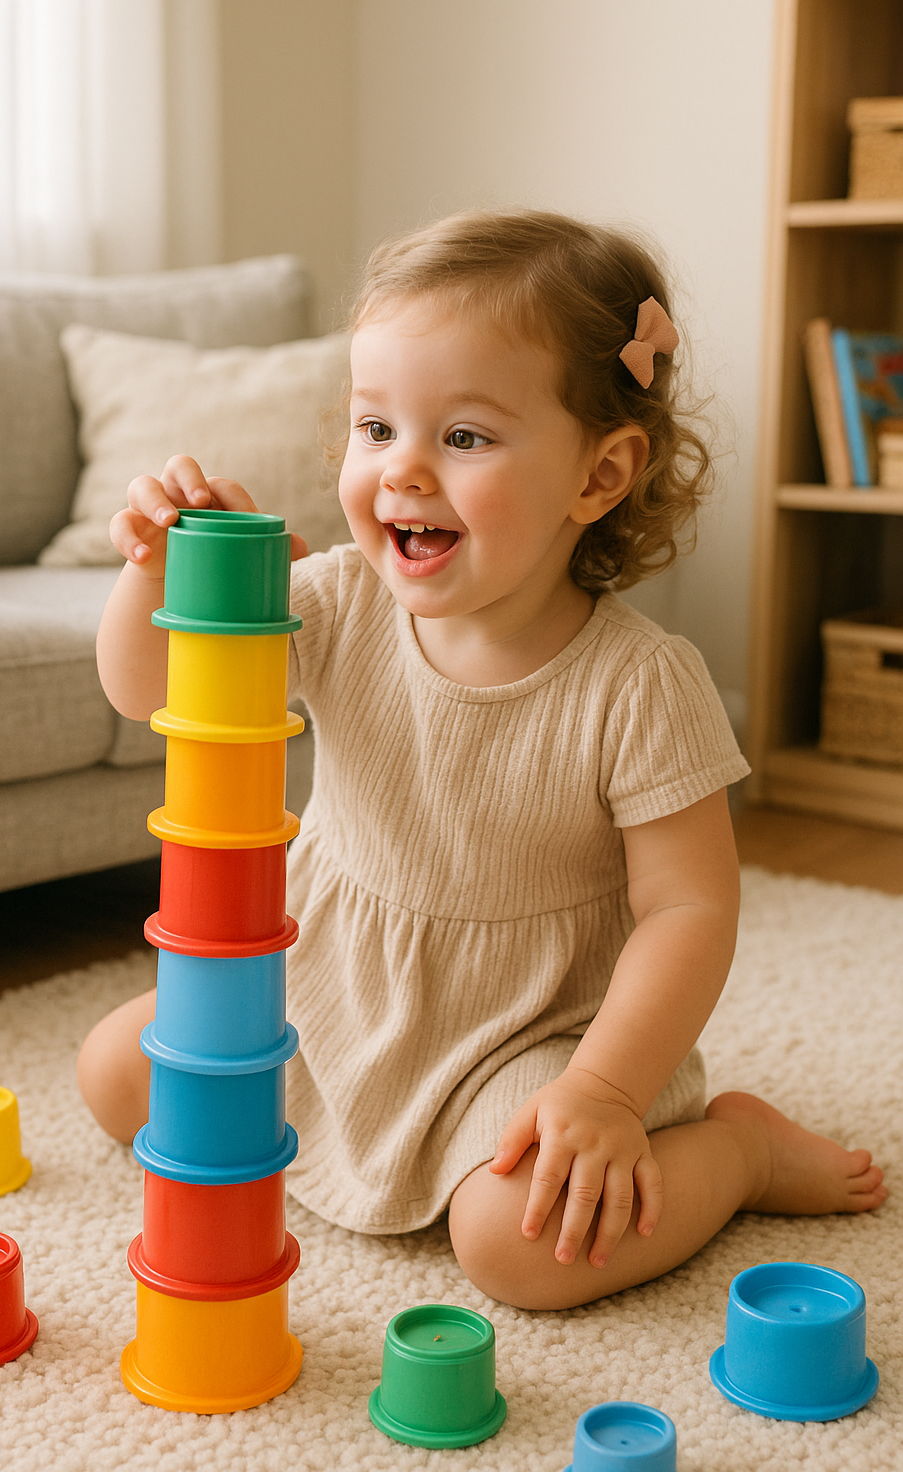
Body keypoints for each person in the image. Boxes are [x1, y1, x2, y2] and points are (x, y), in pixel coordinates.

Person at [79, 210, 887, 1310]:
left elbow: (689, 912)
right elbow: (147, 691)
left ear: (598, 476)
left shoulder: (640, 683)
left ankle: (735, 1152)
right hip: (332, 989)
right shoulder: (330, 602)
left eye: (463, 437)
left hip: (534, 1028)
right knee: (117, 1070)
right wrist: (161, 576)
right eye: (375, 428)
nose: (402, 470)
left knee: (515, 1246)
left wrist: (604, 1090)